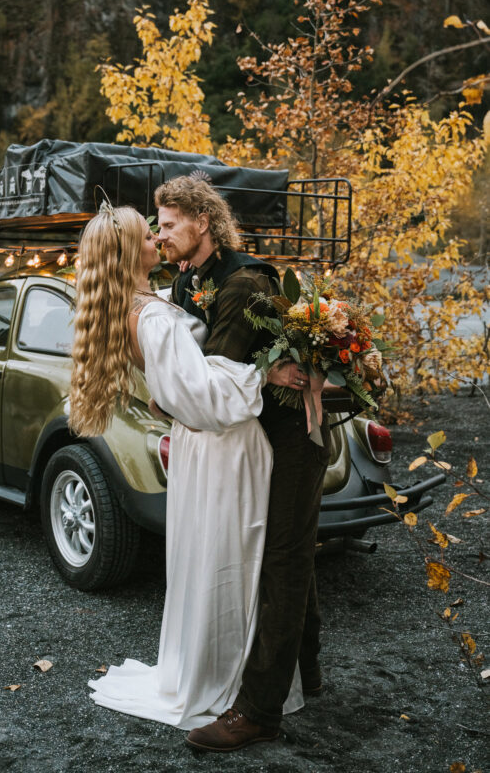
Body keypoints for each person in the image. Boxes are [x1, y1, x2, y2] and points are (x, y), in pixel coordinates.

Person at [69, 204, 305, 732]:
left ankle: (228, 670)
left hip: (202, 446)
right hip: (220, 446)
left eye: (162, 226)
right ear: (132, 252)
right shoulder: (149, 315)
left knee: (211, 559)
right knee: (229, 562)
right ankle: (222, 680)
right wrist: (266, 376)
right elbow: (202, 397)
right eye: (147, 232)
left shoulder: (145, 303)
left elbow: (173, 392)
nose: (157, 237)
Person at [155, 175, 329, 752]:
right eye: (159, 224)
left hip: (290, 439)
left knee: (281, 561)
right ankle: (310, 673)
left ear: (203, 222)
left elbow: (210, 382)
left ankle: (258, 712)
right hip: (249, 440)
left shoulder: (246, 283)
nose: (162, 234)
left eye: (170, 223)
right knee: (285, 558)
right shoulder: (188, 282)